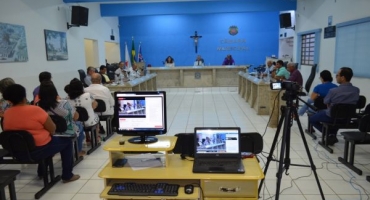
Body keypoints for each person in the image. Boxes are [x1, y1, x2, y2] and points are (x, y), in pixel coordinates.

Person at [2, 84, 80, 183]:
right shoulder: (35, 110)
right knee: (67, 142)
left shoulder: (7, 113)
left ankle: (42, 172)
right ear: (24, 96)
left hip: (17, 151)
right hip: (37, 150)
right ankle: (67, 175)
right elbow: (52, 128)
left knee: (48, 143)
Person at [309, 67, 360, 145]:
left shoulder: (334, 91)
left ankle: (329, 134)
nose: (336, 77)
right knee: (337, 116)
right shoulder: (356, 90)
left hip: (332, 116)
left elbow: (325, 101)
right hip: (347, 117)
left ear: (342, 78)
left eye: (337, 75)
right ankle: (332, 134)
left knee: (312, 118)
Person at [38, 81, 86, 157]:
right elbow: (76, 117)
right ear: (55, 93)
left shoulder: (38, 107)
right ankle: (78, 151)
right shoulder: (64, 103)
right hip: (67, 131)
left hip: (50, 132)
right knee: (79, 124)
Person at [67, 78, 100, 143]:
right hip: (89, 122)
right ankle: (96, 137)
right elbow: (94, 105)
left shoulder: (68, 98)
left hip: (76, 122)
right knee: (95, 117)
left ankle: (87, 137)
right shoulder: (87, 95)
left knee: (83, 118)